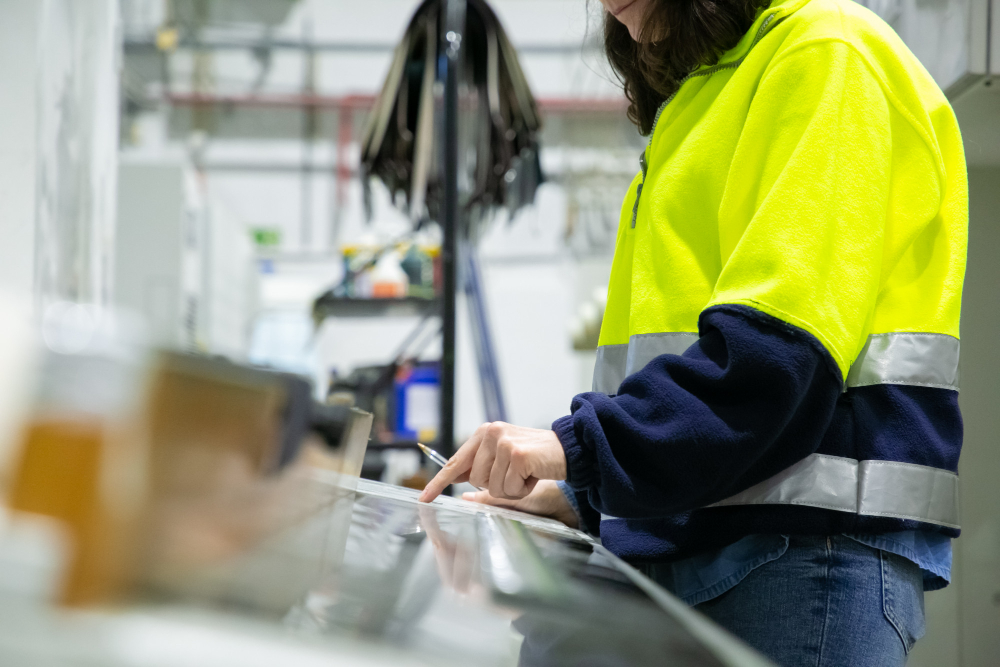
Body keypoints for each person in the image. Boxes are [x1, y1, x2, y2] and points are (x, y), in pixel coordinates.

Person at [420, 0, 967, 663]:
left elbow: (775, 360)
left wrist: (583, 448)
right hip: (712, 547)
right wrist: (585, 494)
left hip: (801, 562)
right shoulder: (699, 103)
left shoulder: (825, 54)